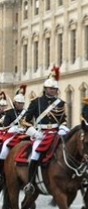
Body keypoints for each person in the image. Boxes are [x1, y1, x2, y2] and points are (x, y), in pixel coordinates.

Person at [22, 66, 68, 194]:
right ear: (45, 89)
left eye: (54, 89)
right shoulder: (36, 102)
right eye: (50, 88)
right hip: (41, 134)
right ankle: (30, 183)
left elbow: (63, 119)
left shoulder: (60, 103)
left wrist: (63, 127)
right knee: (35, 155)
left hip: (56, 133)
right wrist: (34, 132)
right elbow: (26, 120)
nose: (52, 90)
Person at [0, 87, 28, 187]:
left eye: (22, 103)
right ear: (15, 103)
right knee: (4, 148)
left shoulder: (26, 112)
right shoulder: (9, 113)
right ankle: (2, 169)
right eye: (19, 103)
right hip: (11, 134)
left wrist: (25, 128)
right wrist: (15, 128)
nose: (20, 105)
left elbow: (30, 123)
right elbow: (5, 126)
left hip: (24, 133)